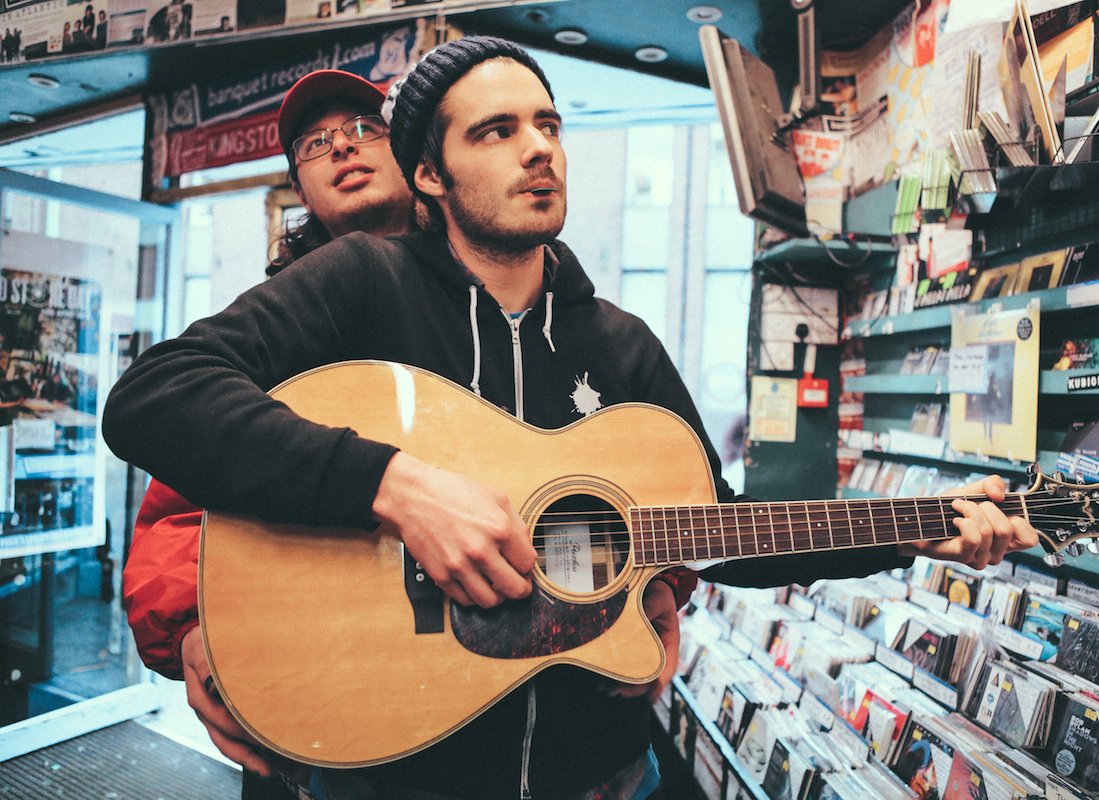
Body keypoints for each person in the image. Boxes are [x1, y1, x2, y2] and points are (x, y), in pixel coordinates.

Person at [104, 36, 1039, 800]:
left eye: (547, 124)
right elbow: (155, 396)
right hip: (388, 771)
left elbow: (722, 530)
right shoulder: (360, 284)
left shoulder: (622, 344)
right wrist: (396, 488)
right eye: (497, 131)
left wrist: (910, 533)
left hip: (600, 777)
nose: (538, 148)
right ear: (429, 173)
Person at [121, 68, 414, 800]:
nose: (341, 147)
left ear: (417, 154)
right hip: (306, 700)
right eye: (315, 143)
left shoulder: (492, 294)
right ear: (300, 190)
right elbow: (175, 507)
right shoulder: (271, 327)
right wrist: (192, 623)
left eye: (365, 129)